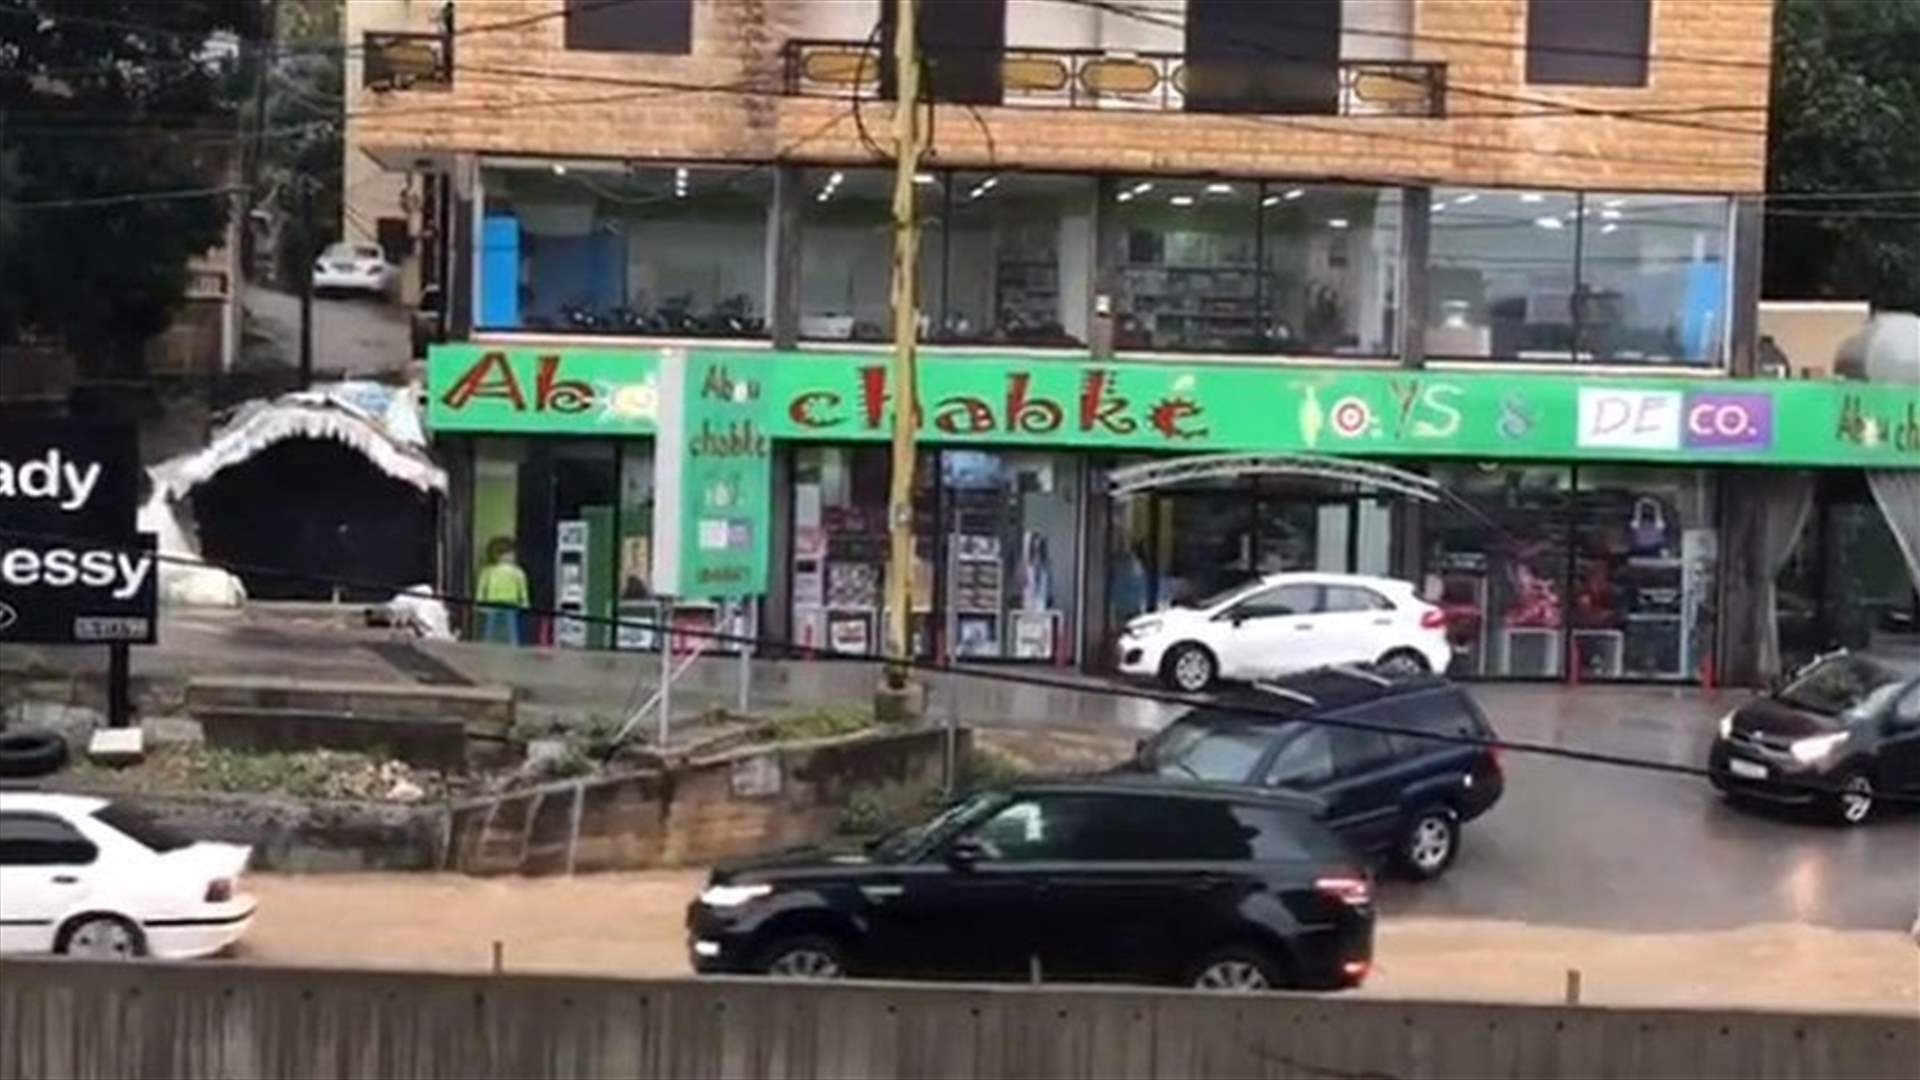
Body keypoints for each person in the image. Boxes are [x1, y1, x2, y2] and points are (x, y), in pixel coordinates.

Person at [475, 537, 530, 645]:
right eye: (509, 553)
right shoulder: (488, 572)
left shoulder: (517, 572)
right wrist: (479, 603)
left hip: (509, 604)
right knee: (491, 631)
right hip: (495, 604)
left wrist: (524, 602)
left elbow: (522, 589)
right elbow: (481, 588)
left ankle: (510, 647)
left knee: (509, 631)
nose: (512, 556)